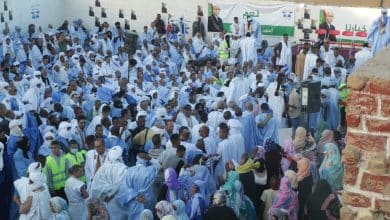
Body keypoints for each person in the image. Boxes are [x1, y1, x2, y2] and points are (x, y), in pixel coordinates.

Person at [116, 152, 160, 219]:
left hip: (134, 202)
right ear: (146, 159)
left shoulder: (129, 171)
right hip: (147, 202)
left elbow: (124, 189)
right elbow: (159, 165)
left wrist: (136, 196)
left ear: (137, 160)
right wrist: (150, 158)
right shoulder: (150, 170)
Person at [90, 146, 128, 219]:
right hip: (117, 202)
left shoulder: (103, 166)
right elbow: (121, 185)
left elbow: (95, 185)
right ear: (120, 155)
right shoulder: (123, 168)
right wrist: (110, 194)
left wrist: (105, 195)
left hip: (104, 200)